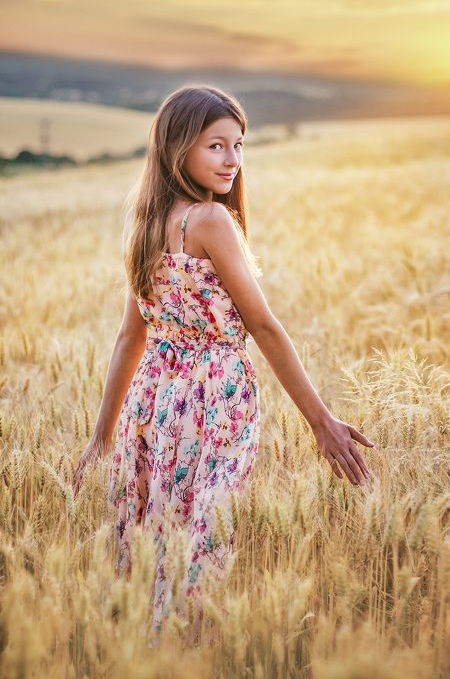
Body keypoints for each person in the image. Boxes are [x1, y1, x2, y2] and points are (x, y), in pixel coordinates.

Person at [72, 84, 375, 646]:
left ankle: (156, 647)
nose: (233, 160)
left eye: (239, 145)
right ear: (178, 147)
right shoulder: (210, 220)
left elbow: (129, 337)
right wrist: (321, 423)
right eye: (217, 145)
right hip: (215, 402)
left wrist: (103, 436)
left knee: (161, 532)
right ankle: (193, 646)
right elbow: (262, 326)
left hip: (155, 403)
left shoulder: (144, 221)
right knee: (204, 535)